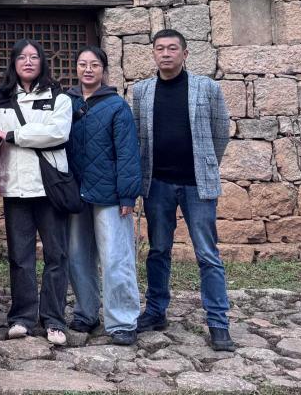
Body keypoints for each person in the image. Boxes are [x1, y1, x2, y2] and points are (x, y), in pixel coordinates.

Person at [132, 28, 234, 352]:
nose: (166, 53)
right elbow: (138, 135)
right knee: (158, 250)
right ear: (153, 53)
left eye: (172, 48)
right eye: (160, 48)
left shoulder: (206, 87)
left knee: (207, 254)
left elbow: (221, 131)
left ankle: (218, 322)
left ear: (185, 53)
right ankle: (155, 311)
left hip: (197, 185)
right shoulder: (142, 91)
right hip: (157, 184)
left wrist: (206, 164)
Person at [0, 39, 73, 346]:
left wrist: (12, 135)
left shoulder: (59, 96)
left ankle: (54, 319)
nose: (28, 61)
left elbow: (57, 133)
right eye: (22, 57)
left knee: (56, 255)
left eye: (34, 57)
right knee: (20, 257)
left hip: (50, 187)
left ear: (42, 62)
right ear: (13, 62)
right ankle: (21, 317)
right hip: (16, 186)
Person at [65, 45, 141, 346]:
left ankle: (122, 320)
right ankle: (86, 312)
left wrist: (127, 196)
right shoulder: (66, 102)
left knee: (115, 257)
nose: (88, 69)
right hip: (75, 191)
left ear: (103, 70)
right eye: (83, 64)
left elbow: (127, 152)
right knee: (77, 256)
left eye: (94, 65)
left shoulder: (116, 106)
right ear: (76, 68)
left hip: (109, 194)